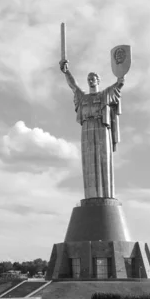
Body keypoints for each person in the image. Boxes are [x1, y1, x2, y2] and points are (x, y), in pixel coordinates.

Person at [59, 59, 125, 198]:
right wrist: (66, 72)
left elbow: (118, 86)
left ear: (98, 80)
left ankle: (106, 195)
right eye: (88, 79)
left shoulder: (105, 95)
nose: (90, 81)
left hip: (102, 127)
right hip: (87, 129)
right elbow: (73, 86)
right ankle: (91, 196)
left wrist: (121, 75)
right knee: (89, 162)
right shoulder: (83, 98)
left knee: (104, 159)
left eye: (93, 78)